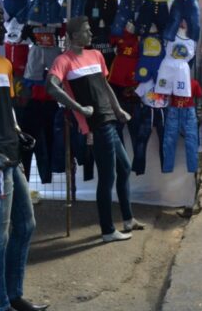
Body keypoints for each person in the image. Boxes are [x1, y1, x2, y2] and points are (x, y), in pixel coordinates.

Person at [47, 16, 145, 243]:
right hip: (96, 124)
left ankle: (128, 219)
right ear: (73, 36)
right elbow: (51, 87)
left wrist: (118, 110)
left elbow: (105, 85)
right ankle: (108, 230)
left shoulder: (96, 55)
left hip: (109, 119)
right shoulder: (64, 60)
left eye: (90, 30)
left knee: (123, 168)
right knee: (108, 176)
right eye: (86, 31)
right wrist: (78, 107)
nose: (91, 34)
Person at [0, 8, 49, 311]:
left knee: (26, 224)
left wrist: (17, 131)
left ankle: (13, 294)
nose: (2, 27)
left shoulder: (5, 65)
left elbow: (7, 109)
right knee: (0, 236)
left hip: (11, 154)